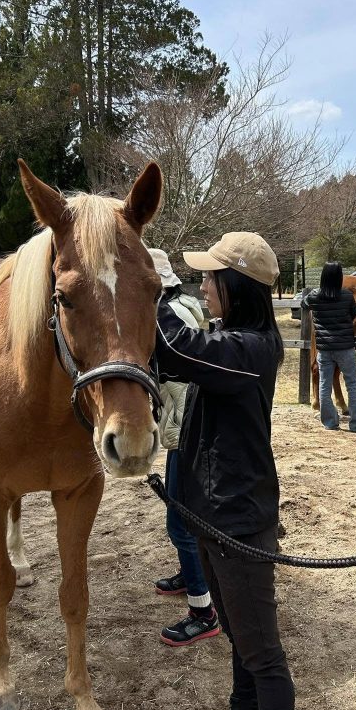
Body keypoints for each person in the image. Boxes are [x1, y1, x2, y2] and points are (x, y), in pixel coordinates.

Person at [155, 231, 294, 710]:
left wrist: (150, 289)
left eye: (211, 278)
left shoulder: (249, 349)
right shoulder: (234, 342)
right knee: (239, 633)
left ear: (236, 285)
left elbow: (175, 347)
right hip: (216, 516)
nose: (204, 287)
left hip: (237, 520)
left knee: (263, 653)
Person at [147, 247, 220, 647]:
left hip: (181, 420)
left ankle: (202, 610)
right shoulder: (185, 305)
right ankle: (190, 576)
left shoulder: (169, 314)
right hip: (181, 416)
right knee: (180, 515)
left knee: (180, 521)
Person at [302, 261, 356, 432]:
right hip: (345, 347)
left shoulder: (314, 296)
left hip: (324, 349)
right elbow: (355, 313)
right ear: (339, 277)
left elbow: (304, 304)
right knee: (352, 385)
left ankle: (330, 422)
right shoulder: (347, 296)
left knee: (324, 385)